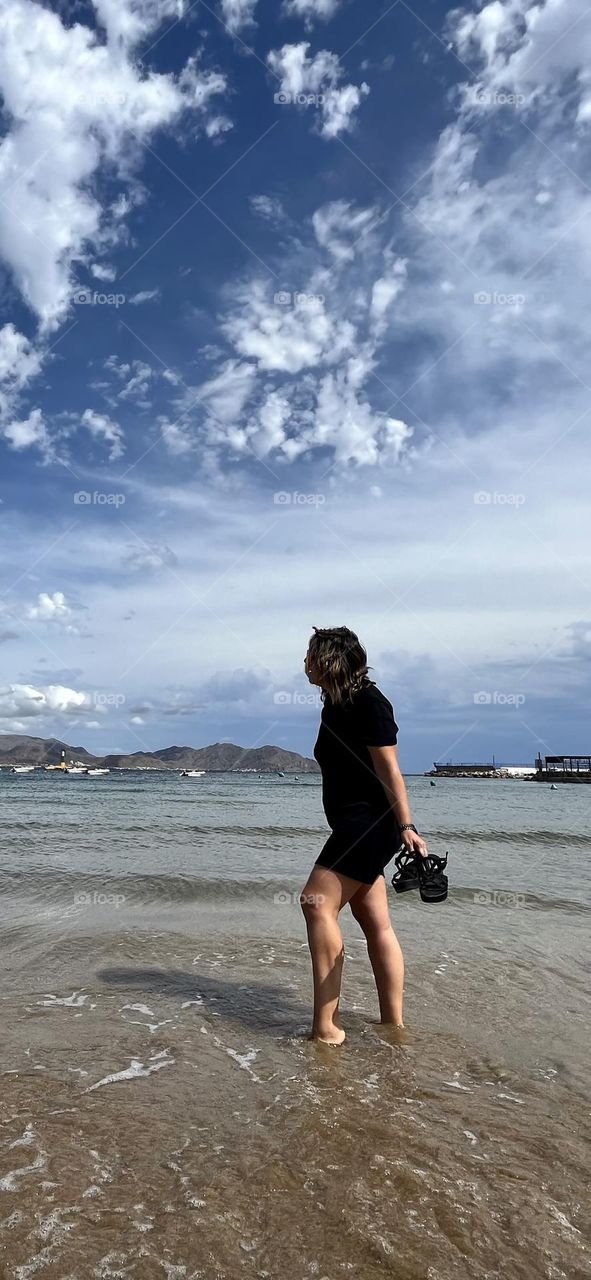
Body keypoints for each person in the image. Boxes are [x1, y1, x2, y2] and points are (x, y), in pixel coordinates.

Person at [300, 625, 428, 1044]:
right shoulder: (334, 705)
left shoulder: (369, 703)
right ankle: (393, 1025)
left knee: (315, 902)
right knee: (375, 921)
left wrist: (406, 825)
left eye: (312, 655)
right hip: (356, 826)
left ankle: (327, 1029)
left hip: (370, 824)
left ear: (331, 661)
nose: (305, 663)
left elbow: (390, 770)